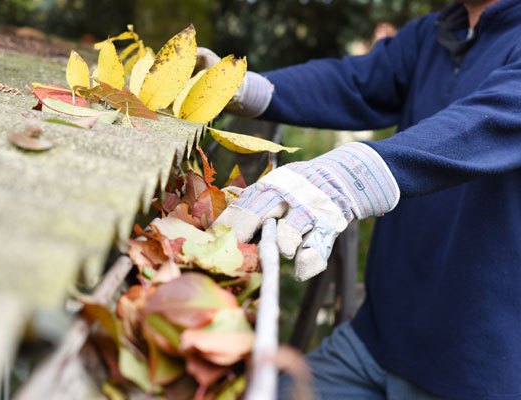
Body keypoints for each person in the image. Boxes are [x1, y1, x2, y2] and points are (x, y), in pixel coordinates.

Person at [203, 0, 521, 398]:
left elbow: (491, 120)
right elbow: (355, 82)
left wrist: (353, 175)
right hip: (374, 340)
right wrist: (245, 87)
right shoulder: (435, 33)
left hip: (473, 373)